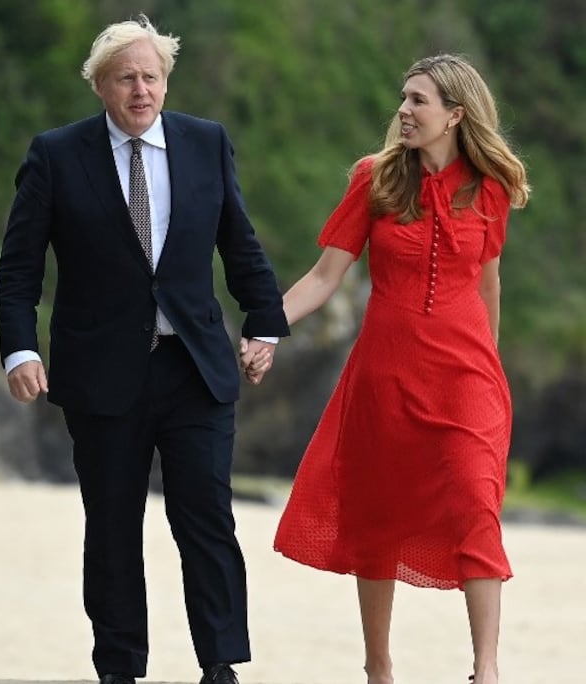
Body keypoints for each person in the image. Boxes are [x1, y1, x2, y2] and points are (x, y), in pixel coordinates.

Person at [0, 15, 288, 684]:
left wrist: (264, 322)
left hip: (194, 369)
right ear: (100, 85)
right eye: (125, 77)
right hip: (100, 374)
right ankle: (120, 668)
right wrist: (19, 350)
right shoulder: (56, 154)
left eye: (151, 76)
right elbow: (17, 270)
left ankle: (220, 665)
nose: (140, 89)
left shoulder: (205, 144)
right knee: (113, 528)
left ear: (166, 81)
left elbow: (238, 243)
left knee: (206, 518)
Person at [258, 54, 529, 684]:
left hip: (468, 378)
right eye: (403, 99)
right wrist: (266, 328)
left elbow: (487, 283)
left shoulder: (490, 189)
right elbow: (326, 276)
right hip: (386, 375)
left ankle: (486, 670)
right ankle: (379, 668)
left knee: (475, 503)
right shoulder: (374, 179)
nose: (403, 111)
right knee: (377, 516)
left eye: (419, 101)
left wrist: (490, 365)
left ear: (455, 115)